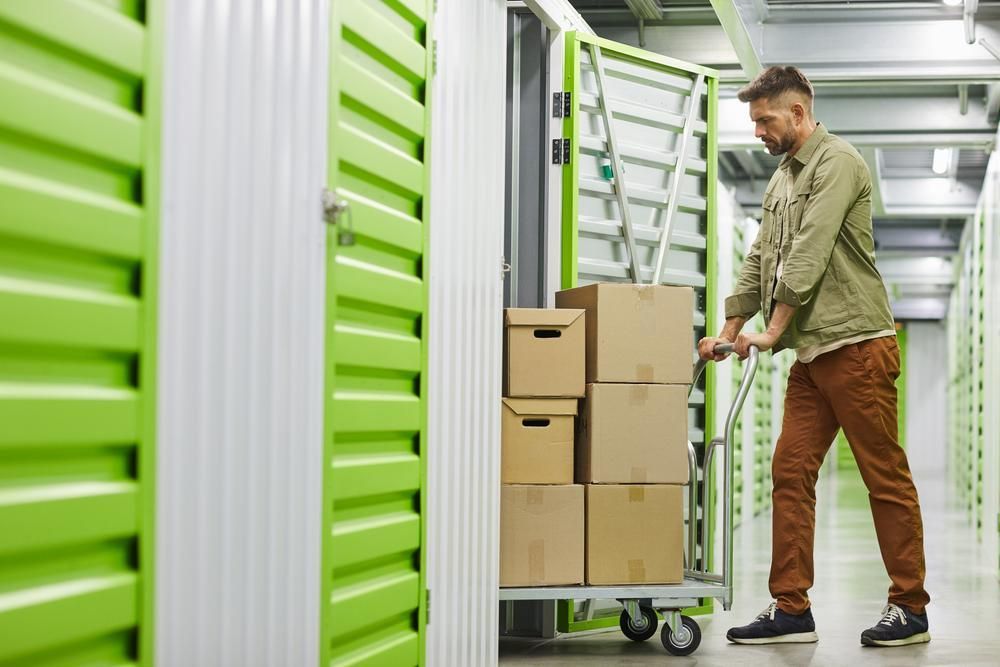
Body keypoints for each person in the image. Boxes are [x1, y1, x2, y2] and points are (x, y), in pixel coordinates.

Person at [698, 66, 931, 647]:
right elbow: (761, 261)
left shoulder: (840, 163)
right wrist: (729, 331)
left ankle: (910, 607)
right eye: (753, 122)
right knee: (789, 471)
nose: (757, 131)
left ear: (797, 113)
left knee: (884, 477)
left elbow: (809, 255)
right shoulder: (780, 180)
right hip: (811, 356)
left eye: (764, 120)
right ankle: (791, 608)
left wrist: (771, 333)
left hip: (857, 346)